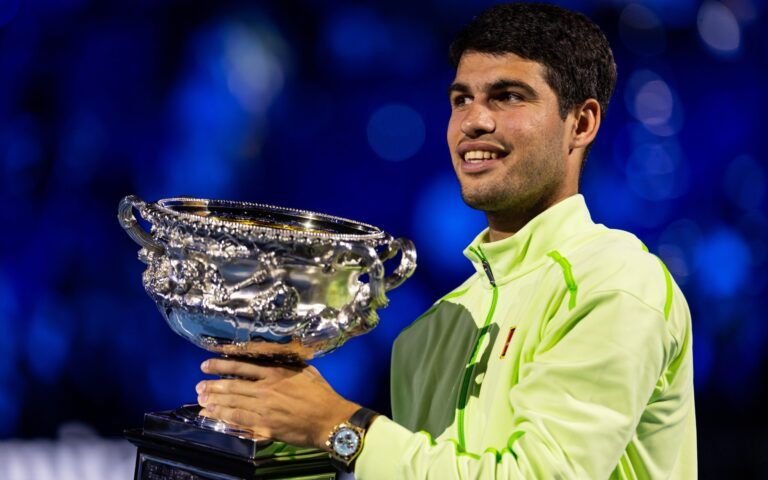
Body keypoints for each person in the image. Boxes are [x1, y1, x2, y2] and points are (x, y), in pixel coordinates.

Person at [193, 3, 697, 478]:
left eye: (508, 96)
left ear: (581, 123)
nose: (474, 121)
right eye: (462, 99)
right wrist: (275, 431)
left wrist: (339, 428)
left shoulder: (615, 285)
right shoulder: (432, 330)